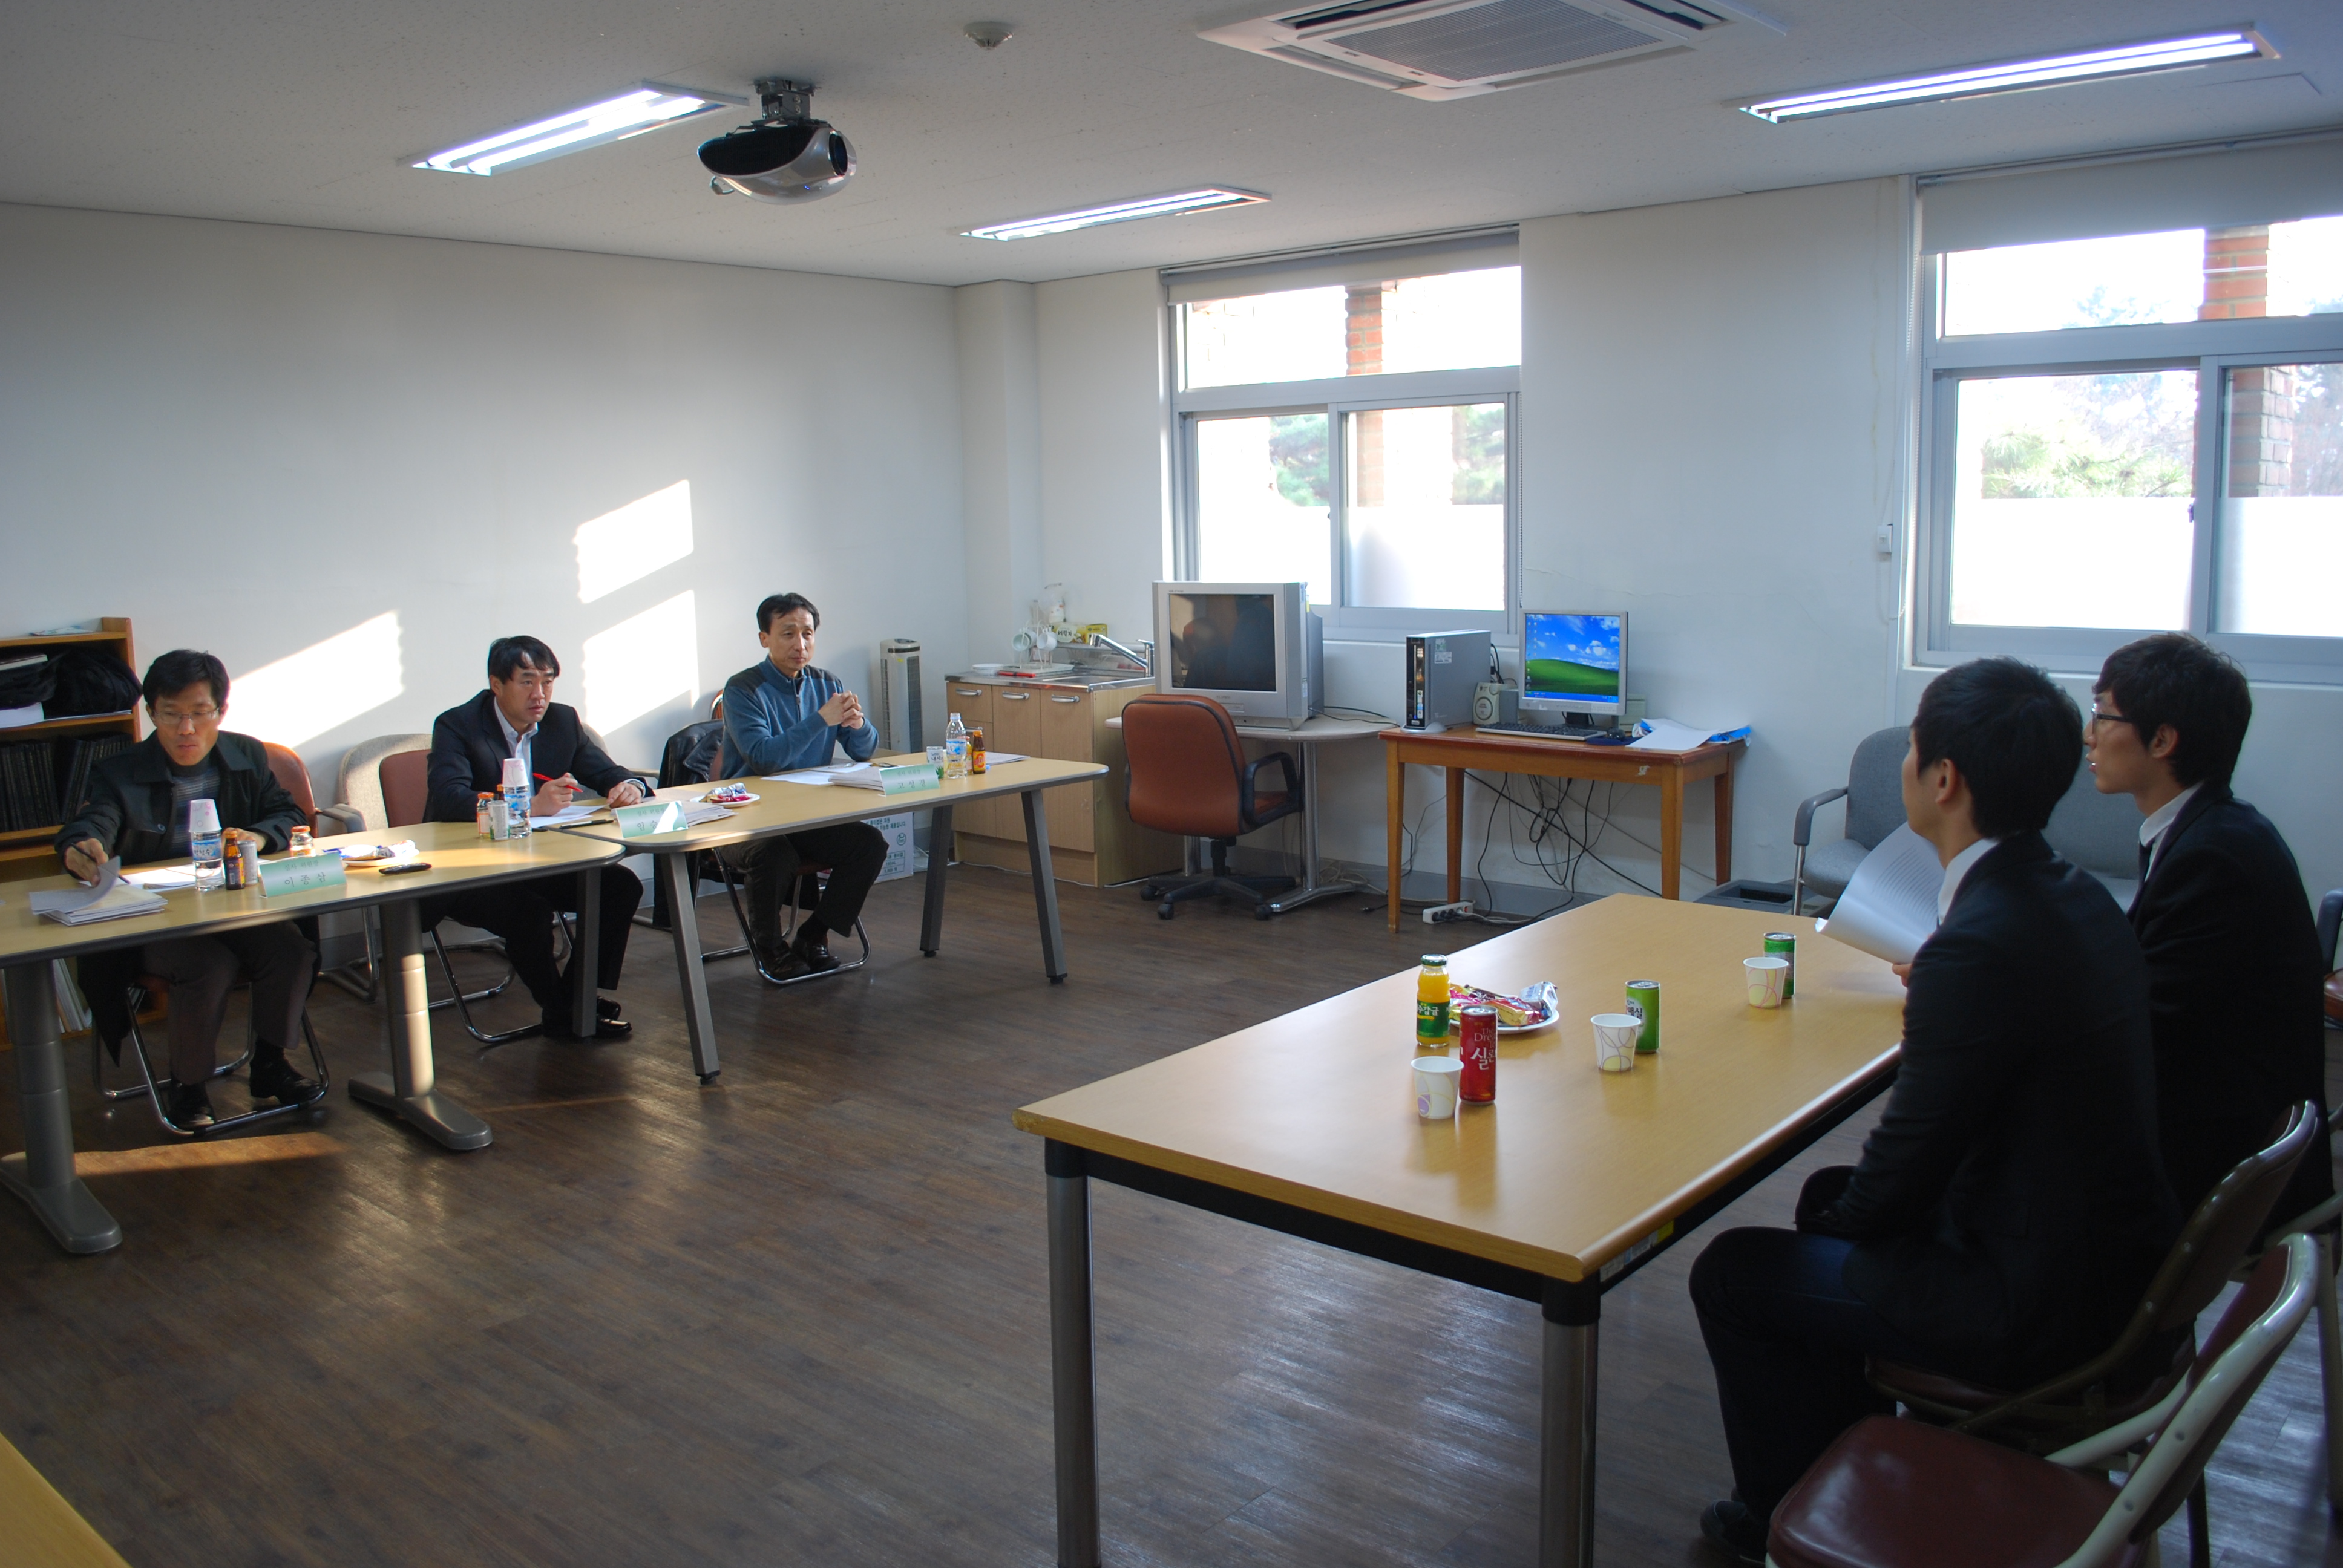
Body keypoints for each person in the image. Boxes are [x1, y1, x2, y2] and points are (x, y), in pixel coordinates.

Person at [1687, 657, 2178, 1564]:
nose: (1908, 767)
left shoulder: (1976, 945)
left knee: (1732, 1271)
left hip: (2034, 1302)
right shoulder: (2070, 894)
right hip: (2113, 1263)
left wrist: (1846, 1224)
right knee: (1822, 1204)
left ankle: (1779, 1515)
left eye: (1914, 752)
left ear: (1943, 780)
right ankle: (1853, 1458)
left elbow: (1902, 1170)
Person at [2089, 632, 2331, 1223]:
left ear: (2162, 740)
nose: (2088, 734)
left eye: (2102, 715)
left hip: (2223, 1156)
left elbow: (2148, 1022)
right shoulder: (2208, 829)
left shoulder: (2213, 856)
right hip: (2225, 1117)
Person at [56, 650, 323, 1130]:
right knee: (207, 965)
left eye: (199, 713)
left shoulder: (246, 756)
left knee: (291, 949)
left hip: (231, 906)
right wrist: (81, 848)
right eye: (171, 714)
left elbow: (287, 813)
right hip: (157, 920)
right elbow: (93, 822)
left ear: (221, 711)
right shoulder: (119, 771)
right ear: (150, 713)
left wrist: (257, 837)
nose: (186, 729)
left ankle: (270, 1063)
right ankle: (189, 1085)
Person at [422, 635, 646, 1040]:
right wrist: (526, 807)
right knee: (528, 912)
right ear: (497, 684)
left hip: (538, 860)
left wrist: (628, 787)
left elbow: (607, 771)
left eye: (547, 682)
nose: (539, 694)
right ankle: (564, 1010)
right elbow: (449, 797)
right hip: (469, 868)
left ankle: (575, 1000)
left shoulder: (562, 722)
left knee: (619, 887)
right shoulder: (458, 725)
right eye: (527, 681)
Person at [717, 593, 884, 977]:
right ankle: (770, 947)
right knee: (773, 853)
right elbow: (764, 758)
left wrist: (858, 724)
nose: (800, 644)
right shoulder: (742, 689)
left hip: (804, 815)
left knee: (868, 844)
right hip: (746, 820)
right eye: (788, 633)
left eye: (808, 634)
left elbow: (864, 751)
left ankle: (813, 934)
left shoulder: (826, 683)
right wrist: (821, 719)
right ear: (765, 638)